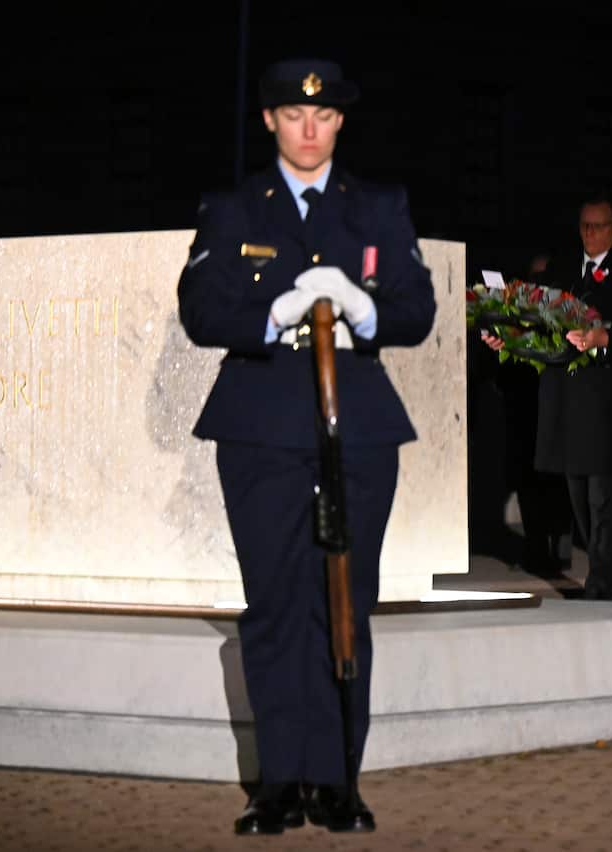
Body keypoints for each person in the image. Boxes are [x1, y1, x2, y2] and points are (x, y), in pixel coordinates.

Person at [177, 58, 436, 834]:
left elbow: (416, 310)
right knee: (277, 603)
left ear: (341, 123)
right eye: (293, 115)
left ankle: (337, 780)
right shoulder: (233, 210)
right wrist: (271, 312)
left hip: (355, 426)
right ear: (269, 122)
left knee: (345, 601)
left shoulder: (379, 208)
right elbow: (200, 308)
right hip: (259, 427)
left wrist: (365, 310)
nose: (310, 129)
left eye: (323, 117)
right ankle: (278, 782)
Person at [482, 195, 612, 600]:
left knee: (603, 495)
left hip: (606, 400)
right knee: (577, 492)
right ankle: (598, 571)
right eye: (584, 226)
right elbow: (540, 325)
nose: (590, 234)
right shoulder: (562, 269)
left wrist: (605, 338)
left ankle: (605, 579)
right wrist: (508, 340)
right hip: (565, 397)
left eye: (598, 227)